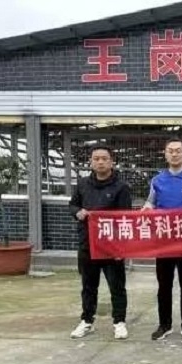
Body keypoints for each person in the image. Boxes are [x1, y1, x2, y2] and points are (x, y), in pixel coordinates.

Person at [142, 137, 182, 341]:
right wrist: (147, 208)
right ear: (165, 154)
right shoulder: (157, 180)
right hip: (164, 241)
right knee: (164, 286)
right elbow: (151, 202)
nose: (174, 153)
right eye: (170, 150)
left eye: (178, 150)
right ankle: (165, 324)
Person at [68, 146, 132, 340]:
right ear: (91, 162)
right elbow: (72, 205)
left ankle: (119, 322)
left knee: (117, 287)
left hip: (111, 248)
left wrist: (122, 249)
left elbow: (125, 218)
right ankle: (87, 320)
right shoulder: (82, 184)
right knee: (88, 286)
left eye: (104, 158)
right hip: (88, 245)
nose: (100, 162)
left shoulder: (121, 187)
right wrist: (77, 212)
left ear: (112, 162)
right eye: (96, 159)